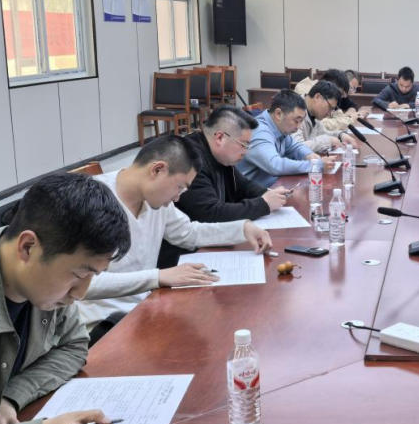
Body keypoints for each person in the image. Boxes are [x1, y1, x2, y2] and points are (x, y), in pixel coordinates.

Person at [0, 173, 131, 424]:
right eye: (79, 274)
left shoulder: (38, 281)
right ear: (27, 247)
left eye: (93, 276)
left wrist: (11, 396)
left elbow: (74, 344)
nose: (81, 293)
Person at [79, 135, 272, 344]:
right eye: (180, 187)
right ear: (157, 170)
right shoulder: (92, 200)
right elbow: (82, 283)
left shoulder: (155, 200)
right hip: (101, 325)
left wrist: (242, 228)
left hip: (144, 310)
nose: (178, 197)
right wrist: (158, 276)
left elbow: (187, 232)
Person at [176, 106, 289, 223]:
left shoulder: (221, 157)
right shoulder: (190, 159)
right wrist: (264, 204)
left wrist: (269, 194)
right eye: (243, 145)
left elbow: (243, 186)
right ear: (220, 138)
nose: (245, 152)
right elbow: (210, 213)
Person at [238, 89, 323, 187]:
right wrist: (314, 165)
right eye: (296, 121)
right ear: (278, 114)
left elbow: (295, 147)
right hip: (252, 193)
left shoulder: (279, 128)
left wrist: (309, 155)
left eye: (301, 121)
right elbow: (276, 165)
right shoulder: (259, 131)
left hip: (273, 186)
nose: (299, 126)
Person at [291, 80, 360, 154]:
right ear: (317, 97)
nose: (329, 113)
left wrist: (340, 135)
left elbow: (322, 132)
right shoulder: (295, 111)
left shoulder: (313, 113)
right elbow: (295, 148)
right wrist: (327, 141)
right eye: (330, 107)